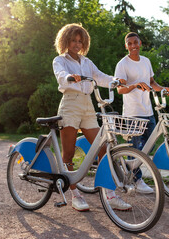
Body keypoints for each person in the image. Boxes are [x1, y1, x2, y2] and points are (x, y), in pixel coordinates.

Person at [53, 23, 131, 212]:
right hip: (70, 104)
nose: (77, 44)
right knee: (68, 152)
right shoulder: (60, 60)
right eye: (73, 40)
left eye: (80, 41)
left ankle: (109, 194)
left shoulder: (86, 62)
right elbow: (61, 75)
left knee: (103, 147)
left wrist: (115, 80)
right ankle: (75, 194)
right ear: (66, 41)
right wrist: (70, 77)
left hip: (88, 105)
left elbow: (100, 77)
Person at [114, 32, 169, 194]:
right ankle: (136, 178)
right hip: (133, 113)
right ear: (126, 46)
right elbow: (120, 89)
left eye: (136, 42)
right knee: (135, 147)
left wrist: (162, 89)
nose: (133, 46)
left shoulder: (146, 61)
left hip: (148, 110)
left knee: (150, 144)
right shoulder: (122, 64)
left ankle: (128, 167)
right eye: (130, 43)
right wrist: (135, 85)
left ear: (140, 44)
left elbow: (152, 82)